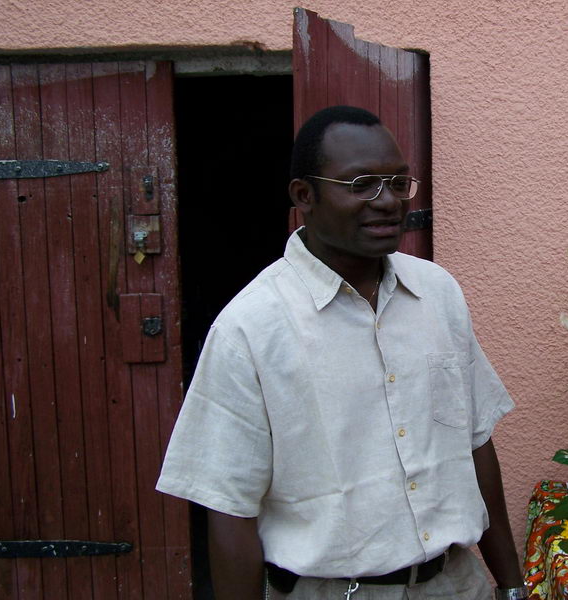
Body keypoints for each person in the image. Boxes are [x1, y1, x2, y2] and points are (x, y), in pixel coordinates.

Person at [157, 105, 528, 600]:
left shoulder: (438, 293)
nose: (387, 201)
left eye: (398, 183)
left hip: (456, 584)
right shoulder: (251, 328)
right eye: (361, 185)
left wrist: (511, 584)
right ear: (303, 196)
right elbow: (229, 510)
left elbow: (476, 442)